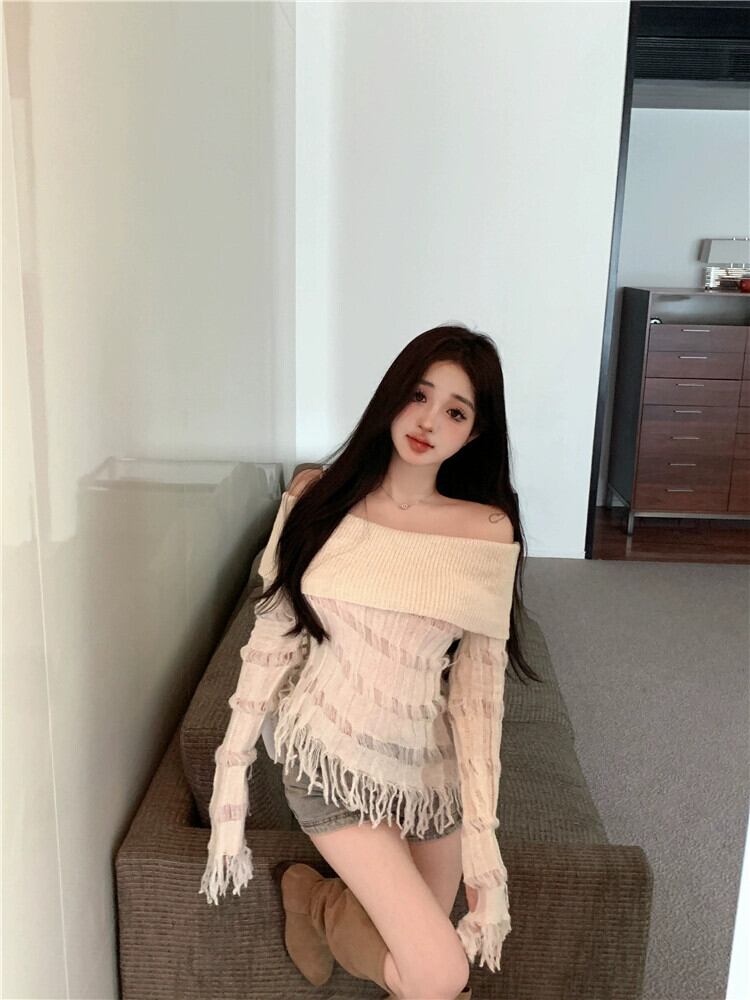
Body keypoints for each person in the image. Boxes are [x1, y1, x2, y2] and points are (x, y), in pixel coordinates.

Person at [199, 324, 543, 1000]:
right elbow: (273, 635)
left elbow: (478, 696)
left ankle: (317, 902)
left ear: (474, 433)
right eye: (419, 395)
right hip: (328, 756)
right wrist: (231, 769)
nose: (429, 421)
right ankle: (325, 903)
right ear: (393, 395)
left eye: (456, 411)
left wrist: (483, 840)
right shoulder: (317, 497)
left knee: (417, 967)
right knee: (441, 972)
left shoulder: (486, 528)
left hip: (428, 768)